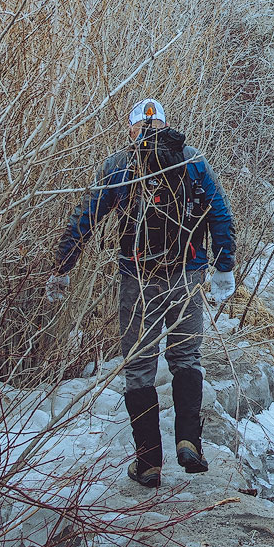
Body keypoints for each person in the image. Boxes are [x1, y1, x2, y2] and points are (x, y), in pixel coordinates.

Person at [46, 99, 236, 488]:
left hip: (138, 277)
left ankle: (148, 463)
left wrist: (63, 267)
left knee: (138, 365)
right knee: (186, 357)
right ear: (165, 124)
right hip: (186, 273)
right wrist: (224, 266)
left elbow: (86, 217)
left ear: (131, 128)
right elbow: (220, 213)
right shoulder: (192, 160)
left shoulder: (118, 165)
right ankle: (189, 443)